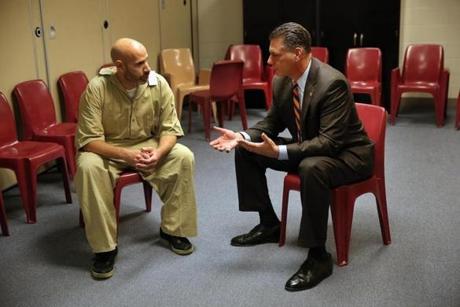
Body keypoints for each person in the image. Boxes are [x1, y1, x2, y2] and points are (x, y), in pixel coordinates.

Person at [210, 22, 374, 291]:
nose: (268, 60)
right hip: (311, 146)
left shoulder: (332, 83)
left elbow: (330, 143)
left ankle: (318, 256)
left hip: (349, 155)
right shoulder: (282, 81)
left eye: (275, 54)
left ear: (298, 53)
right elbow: (272, 123)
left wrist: (279, 152)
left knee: (312, 168)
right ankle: (269, 224)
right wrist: (242, 137)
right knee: (247, 150)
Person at [75, 38, 197, 280]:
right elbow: (89, 141)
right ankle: (104, 249)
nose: (147, 67)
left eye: (146, 60)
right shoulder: (97, 88)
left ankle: (173, 230)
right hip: (108, 149)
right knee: (87, 167)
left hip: (148, 145)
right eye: (139, 63)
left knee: (183, 156)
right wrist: (126, 154)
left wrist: (159, 153)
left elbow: (170, 129)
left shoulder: (158, 83)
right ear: (119, 66)